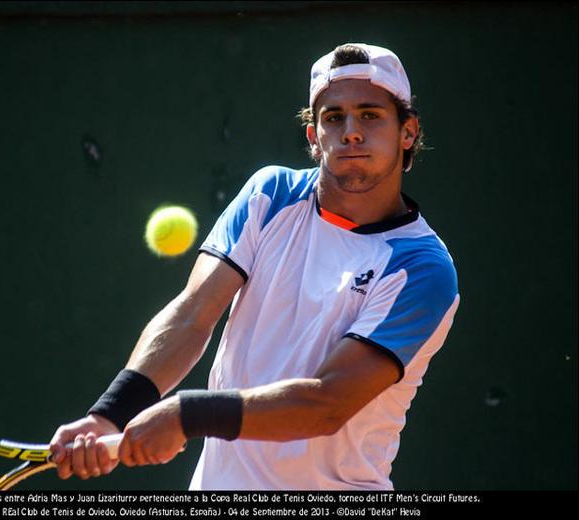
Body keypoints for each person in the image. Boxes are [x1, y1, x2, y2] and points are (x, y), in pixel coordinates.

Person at [50, 42, 460, 490]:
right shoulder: (270, 196)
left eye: (370, 115)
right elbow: (193, 314)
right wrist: (109, 414)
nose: (351, 132)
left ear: (408, 131)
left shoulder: (422, 269)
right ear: (313, 136)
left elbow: (326, 403)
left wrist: (189, 413)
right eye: (332, 117)